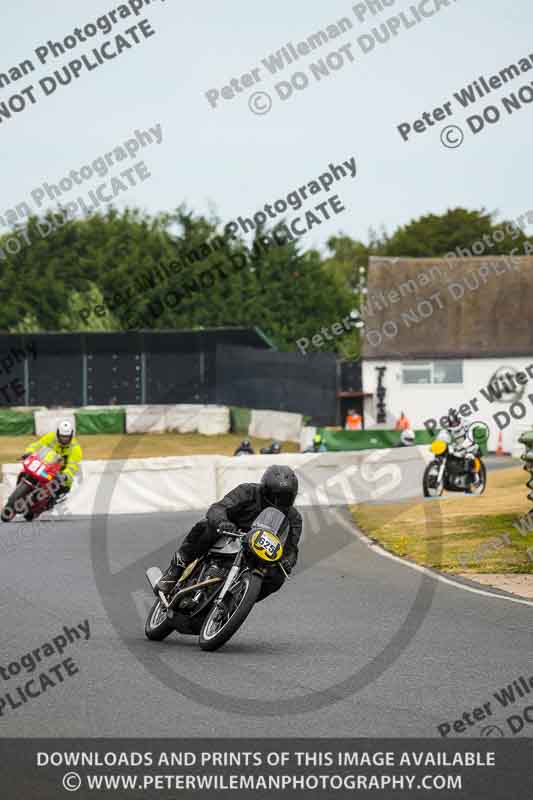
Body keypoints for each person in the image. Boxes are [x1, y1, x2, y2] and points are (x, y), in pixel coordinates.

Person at [155, 465, 302, 602]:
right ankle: (175, 570)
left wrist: (287, 560)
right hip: (230, 533)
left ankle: (239, 601)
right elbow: (219, 508)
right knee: (205, 526)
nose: (279, 501)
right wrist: (222, 522)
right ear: (264, 489)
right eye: (275, 495)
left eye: (285, 497)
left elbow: (291, 547)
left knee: (278, 577)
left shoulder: (294, 517)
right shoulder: (247, 491)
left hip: (260, 551)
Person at [22, 420, 82, 505]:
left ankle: (46, 502)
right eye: (62, 436)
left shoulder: (76, 448)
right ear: (57, 433)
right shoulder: (51, 437)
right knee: (29, 469)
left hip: (61, 475)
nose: (64, 439)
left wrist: (65, 475)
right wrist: (28, 452)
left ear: (71, 435)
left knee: (56, 487)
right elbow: (37, 445)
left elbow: (73, 467)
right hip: (45, 468)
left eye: (67, 437)